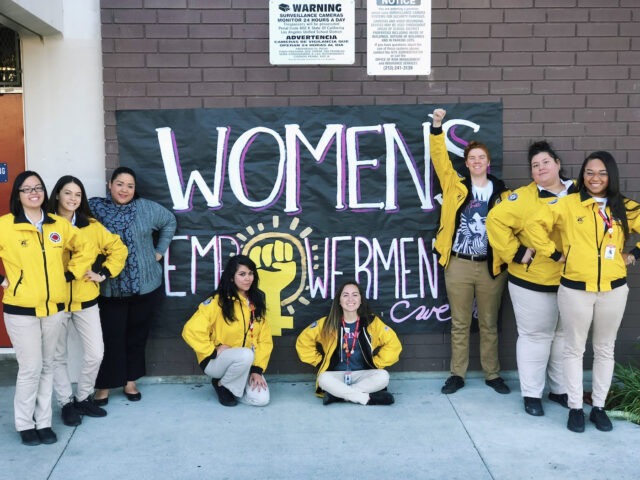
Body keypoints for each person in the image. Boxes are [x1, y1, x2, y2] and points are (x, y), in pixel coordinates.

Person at [527, 151, 640, 433]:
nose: (595, 178)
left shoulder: (623, 207)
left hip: (613, 290)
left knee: (604, 349)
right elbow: (533, 225)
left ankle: (598, 407)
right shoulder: (568, 204)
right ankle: (576, 408)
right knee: (574, 349)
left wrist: (634, 254)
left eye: (602, 173)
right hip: (575, 289)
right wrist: (554, 254)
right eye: (589, 172)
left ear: (610, 175)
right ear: (582, 174)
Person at [0, 171, 92, 446]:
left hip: (54, 308)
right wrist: (4, 280)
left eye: (38, 187)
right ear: (18, 195)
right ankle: (25, 424)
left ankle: (44, 422)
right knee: (31, 367)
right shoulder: (6, 226)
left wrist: (70, 274)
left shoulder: (57, 225)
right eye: (27, 189)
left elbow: (84, 247)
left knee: (48, 365)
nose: (33, 192)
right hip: (21, 309)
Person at [487, 141, 576, 416]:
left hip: (574, 281)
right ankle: (532, 394)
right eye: (535, 165)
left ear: (558, 163)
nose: (540, 168)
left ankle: (559, 390)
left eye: (545, 162)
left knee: (563, 337)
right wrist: (516, 252)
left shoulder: (579, 192)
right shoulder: (522, 197)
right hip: (532, 283)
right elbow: (494, 221)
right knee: (535, 337)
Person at [430, 108, 510, 395]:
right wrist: (437, 128)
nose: (477, 162)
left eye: (481, 158)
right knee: (460, 323)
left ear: (488, 163)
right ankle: (457, 374)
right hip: (459, 264)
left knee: (489, 324)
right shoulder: (455, 186)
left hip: (491, 266)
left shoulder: (502, 192)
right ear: (466, 163)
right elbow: (440, 160)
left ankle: (492, 374)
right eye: (472, 158)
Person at [88, 166, 176, 405]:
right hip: (109, 287)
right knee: (110, 337)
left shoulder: (146, 208)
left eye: (130, 185)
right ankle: (104, 385)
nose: (124, 189)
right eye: (119, 184)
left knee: (136, 336)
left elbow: (169, 220)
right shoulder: (94, 209)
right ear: (110, 185)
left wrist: (159, 251)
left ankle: (130, 382)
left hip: (145, 287)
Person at [47, 176, 128, 426]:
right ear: (58, 195)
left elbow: (118, 248)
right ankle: (66, 403)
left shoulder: (91, 226)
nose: (73, 199)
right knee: (57, 356)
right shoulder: (45, 225)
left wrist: (102, 273)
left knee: (95, 353)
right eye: (68, 193)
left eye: (77, 195)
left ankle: (83, 398)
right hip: (55, 301)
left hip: (86, 299)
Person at [182, 254, 273, 407]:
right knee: (245, 354)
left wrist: (257, 369)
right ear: (231, 277)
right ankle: (222, 384)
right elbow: (190, 330)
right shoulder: (218, 301)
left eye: (250, 273)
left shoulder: (256, 300)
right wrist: (212, 350)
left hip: (247, 363)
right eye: (242, 274)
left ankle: (230, 387)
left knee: (261, 400)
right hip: (216, 362)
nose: (248, 278)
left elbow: (264, 339)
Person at [296, 281, 402, 406]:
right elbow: (304, 341)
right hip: (336, 375)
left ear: (361, 300)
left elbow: (393, 344)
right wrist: (320, 361)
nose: (350, 299)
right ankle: (365, 398)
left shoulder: (372, 322)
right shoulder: (328, 323)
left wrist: (377, 363)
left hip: (362, 374)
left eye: (355, 295)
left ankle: (338, 395)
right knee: (323, 379)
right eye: (345, 295)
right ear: (339, 301)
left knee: (383, 376)